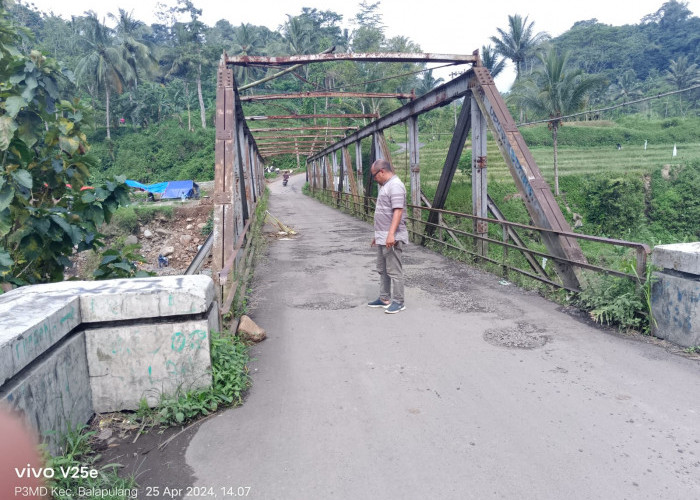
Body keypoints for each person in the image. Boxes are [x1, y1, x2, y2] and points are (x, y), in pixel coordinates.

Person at [367, 159, 409, 314]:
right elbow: (384, 214)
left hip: (392, 237)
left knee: (394, 269)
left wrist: (391, 234)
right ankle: (384, 298)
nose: (374, 179)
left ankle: (399, 301)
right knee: (383, 269)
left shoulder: (395, 185)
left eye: (374, 175)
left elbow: (398, 211)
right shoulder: (386, 186)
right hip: (382, 236)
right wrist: (377, 235)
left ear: (382, 171)